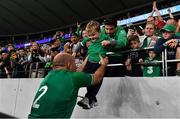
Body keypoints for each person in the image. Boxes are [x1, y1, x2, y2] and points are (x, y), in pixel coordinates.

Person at [28, 53, 108, 118]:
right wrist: (103, 64)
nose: (76, 66)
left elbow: (77, 72)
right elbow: (97, 78)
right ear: (69, 64)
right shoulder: (73, 78)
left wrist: (87, 58)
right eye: (75, 64)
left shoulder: (49, 75)